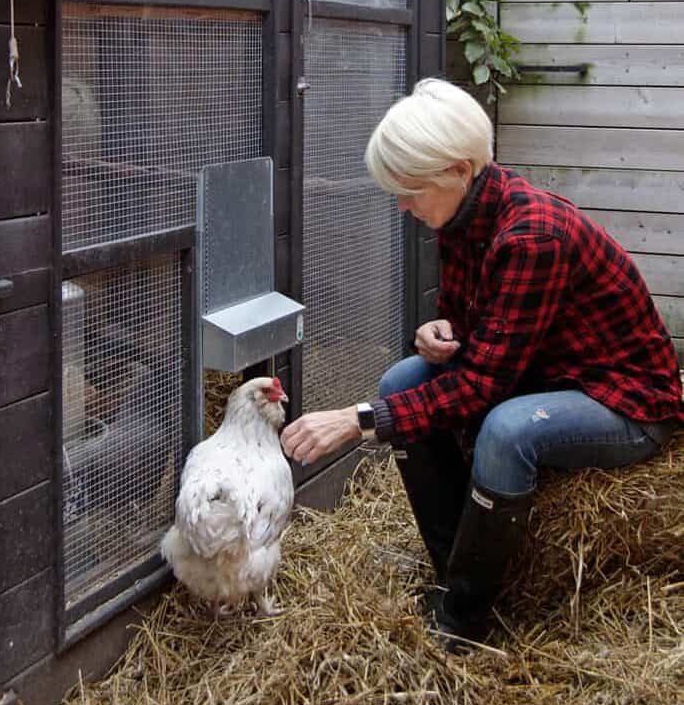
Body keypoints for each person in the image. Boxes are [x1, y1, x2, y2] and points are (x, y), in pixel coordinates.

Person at [281, 78, 683, 651]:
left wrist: (359, 420)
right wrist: (436, 334)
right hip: (544, 372)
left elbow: (482, 387)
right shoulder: (462, 217)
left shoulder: (531, 236)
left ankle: (466, 620)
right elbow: (470, 330)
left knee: (505, 432)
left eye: (410, 189)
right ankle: (454, 569)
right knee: (402, 379)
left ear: (458, 170)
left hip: (623, 400)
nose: (402, 205)